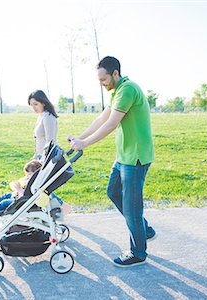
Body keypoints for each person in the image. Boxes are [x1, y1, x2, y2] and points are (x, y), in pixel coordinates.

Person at [68, 56, 155, 267]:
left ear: (115, 73)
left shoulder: (127, 90)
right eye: (99, 79)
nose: (101, 83)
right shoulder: (117, 91)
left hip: (135, 157)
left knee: (131, 207)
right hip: (124, 156)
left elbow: (111, 124)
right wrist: (80, 138)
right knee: (113, 192)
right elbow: (101, 119)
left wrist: (85, 144)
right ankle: (145, 230)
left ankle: (138, 253)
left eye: (103, 79)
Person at [28, 90, 59, 160]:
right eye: (31, 105)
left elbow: (50, 141)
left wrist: (44, 159)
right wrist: (36, 156)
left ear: (43, 103)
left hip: (47, 157)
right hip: (40, 155)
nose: (33, 108)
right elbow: (38, 139)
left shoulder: (48, 116)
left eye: (35, 104)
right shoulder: (41, 115)